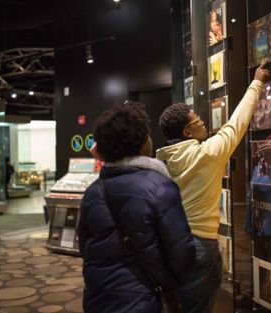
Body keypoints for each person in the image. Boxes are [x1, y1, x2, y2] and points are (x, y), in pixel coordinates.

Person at [156, 62, 270, 313]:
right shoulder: (206, 154)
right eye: (197, 120)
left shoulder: (160, 162)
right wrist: (257, 82)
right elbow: (236, 124)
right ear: (187, 132)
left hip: (169, 244)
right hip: (199, 246)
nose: (203, 122)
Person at [78, 102, 196, 313]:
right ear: (141, 142)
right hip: (141, 298)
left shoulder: (93, 191)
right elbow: (182, 253)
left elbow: (83, 246)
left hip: (97, 296)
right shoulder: (159, 186)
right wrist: (169, 284)